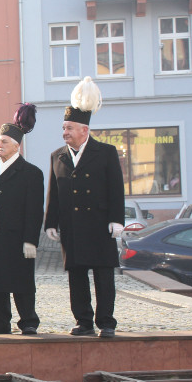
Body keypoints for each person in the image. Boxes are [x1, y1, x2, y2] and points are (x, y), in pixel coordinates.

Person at [45, 77, 125, 338]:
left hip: (100, 225)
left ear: (84, 130)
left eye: (69, 128)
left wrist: (116, 220)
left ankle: (107, 323)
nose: (64, 132)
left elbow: (116, 188)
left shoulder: (106, 152)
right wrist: (50, 223)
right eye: (63, 128)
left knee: (103, 276)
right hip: (72, 226)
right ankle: (83, 321)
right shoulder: (57, 156)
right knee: (76, 277)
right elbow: (54, 193)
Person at [0, 104, 44, 335]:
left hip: (17, 238)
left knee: (21, 283)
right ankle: (0, 322)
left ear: (16, 145)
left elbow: (34, 210)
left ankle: (28, 321)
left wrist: (31, 240)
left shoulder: (31, 173)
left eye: (3, 142)